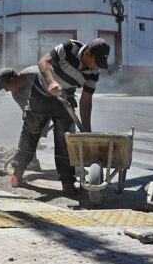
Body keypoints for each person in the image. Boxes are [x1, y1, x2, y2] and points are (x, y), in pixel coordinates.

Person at [9, 38, 110, 196]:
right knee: (31, 132)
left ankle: (67, 182)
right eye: (95, 62)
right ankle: (18, 171)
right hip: (41, 94)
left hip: (65, 99)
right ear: (88, 53)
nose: (95, 67)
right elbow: (43, 62)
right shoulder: (69, 47)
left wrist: (86, 130)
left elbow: (86, 101)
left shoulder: (94, 73)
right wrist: (51, 82)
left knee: (65, 140)